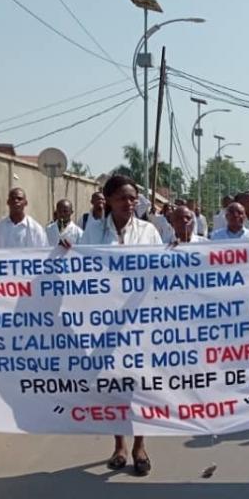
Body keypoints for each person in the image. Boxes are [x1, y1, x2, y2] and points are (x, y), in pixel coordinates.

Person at [79, 175, 162, 476]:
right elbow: (82, 269)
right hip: (105, 322)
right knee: (113, 384)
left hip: (140, 320)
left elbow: (160, 271)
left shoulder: (149, 231)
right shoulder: (92, 232)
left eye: (133, 198)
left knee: (140, 384)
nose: (129, 204)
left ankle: (140, 445)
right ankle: (119, 446)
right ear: (109, 200)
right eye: (122, 198)